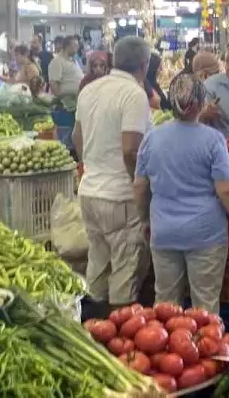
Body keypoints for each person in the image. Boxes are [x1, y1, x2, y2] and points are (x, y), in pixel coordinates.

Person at [134, 72, 229, 311]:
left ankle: (166, 336)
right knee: (204, 306)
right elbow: (226, 189)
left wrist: (144, 219)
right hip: (205, 234)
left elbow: (140, 186)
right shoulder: (213, 140)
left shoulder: (152, 138)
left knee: (165, 304)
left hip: (164, 231)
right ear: (200, 103)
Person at [74, 36, 153, 313]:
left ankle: (92, 326)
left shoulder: (89, 90)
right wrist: (138, 184)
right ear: (144, 64)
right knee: (125, 270)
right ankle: (119, 334)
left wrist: (91, 167)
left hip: (90, 192)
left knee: (97, 265)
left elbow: (76, 137)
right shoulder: (134, 94)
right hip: (120, 197)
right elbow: (130, 150)